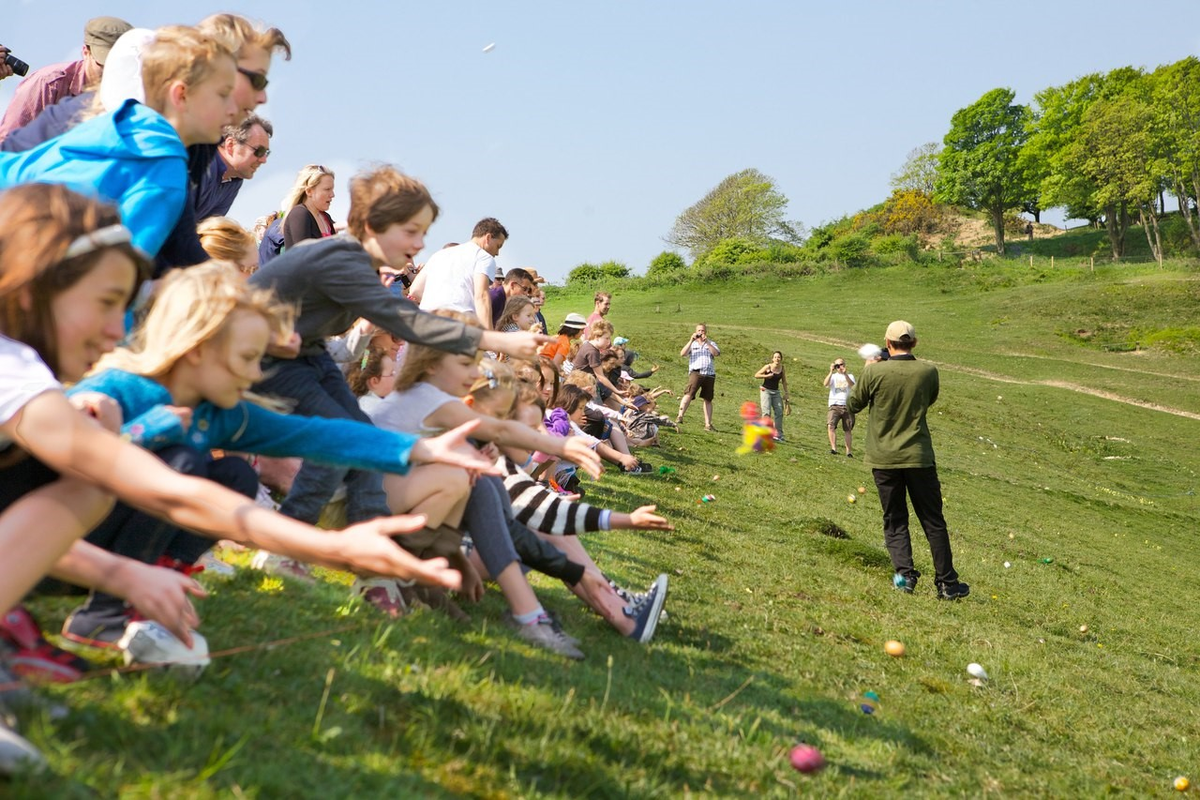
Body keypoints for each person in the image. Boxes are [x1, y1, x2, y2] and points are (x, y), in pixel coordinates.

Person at [63, 263, 495, 649]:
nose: (256, 373)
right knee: (182, 464)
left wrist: (420, 447)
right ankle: (105, 612)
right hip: (59, 542)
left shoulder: (221, 413)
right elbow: (45, 457)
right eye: (248, 358)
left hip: (102, 536)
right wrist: (149, 429)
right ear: (198, 348)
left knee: (234, 475)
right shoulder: (120, 387)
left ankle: (164, 579)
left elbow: (316, 436)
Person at [248, 166, 551, 528]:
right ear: (374, 224)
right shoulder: (340, 259)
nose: (420, 244)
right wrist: (496, 339)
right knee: (345, 433)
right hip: (259, 355)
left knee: (362, 433)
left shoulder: (360, 263)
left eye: (423, 233)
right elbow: (405, 319)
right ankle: (294, 534)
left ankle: (365, 540)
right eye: (411, 231)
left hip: (306, 353)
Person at [0, 26, 239, 258]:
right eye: (222, 94)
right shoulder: (161, 167)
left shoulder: (108, 127)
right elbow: (126, 268)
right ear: (179, 94)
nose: (234, 109)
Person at [847, 320, 970, 600]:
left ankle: (906, 576)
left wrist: (868, 372)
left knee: (895, 519)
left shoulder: (875, 372)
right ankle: (947, 584)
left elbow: (853, 404)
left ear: (887, 343)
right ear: (914, 343)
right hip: (918, 455)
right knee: (932, 520)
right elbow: (929, 400)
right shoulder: (928, 371)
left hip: (884, 456)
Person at [0, 17, 133, 143]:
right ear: (86, 52)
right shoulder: (48, 83)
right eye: (104, 64)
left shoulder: (133, 88)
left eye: (118, 64)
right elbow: (8, 144)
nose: (111, 71)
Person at [411, 217, 508, 326]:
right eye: (498, 246)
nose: (497, 253)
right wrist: (488, 336)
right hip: (457, 323)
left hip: (425, 321)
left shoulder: (439, 254)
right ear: (488, 238)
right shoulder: (484, 257)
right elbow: (481, 296)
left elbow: (415, 290)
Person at [195, 113, 272, 220]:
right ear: (230, 145)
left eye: (266, 153)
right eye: (259, 151)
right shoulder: (202, 165)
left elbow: (209, 228)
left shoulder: (235, 180)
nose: (264, 160)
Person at [675, 323, 720, 431]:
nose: (701, 333)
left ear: (706, 332)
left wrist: (707, 342)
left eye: (703, 331)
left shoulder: (711, 343)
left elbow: (716, 353)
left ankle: (708, 424)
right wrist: (691, 340)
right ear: (695, 332)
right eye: (699, 331)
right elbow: (683, 353)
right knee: (689, 393)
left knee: (708, 399)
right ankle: (680, 416)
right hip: (696, 372)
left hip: (709, 374)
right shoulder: (693, 344)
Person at [281, 164, 336, 249]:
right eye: (327, 189)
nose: (332, 195)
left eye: (332, 189)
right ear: (309, 191)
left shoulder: (326, 217)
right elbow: (303, 256)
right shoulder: (299, 214)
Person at [754, 351, 789, 442]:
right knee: (766, 412)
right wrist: (767, 375)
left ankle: (778, 435)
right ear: (772, 359)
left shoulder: (782, 368)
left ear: (781, 359)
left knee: (779, 412)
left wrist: (786, 393)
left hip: (776, 392)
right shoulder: (768, 367)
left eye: (779, 357)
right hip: (766, 391)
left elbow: (784, 382)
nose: (777, 359)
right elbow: (756, 375)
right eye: (775, 357)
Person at [824, 356, 855, 456]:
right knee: (831, 425)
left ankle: (848, 451)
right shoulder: (833, 376)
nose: (840, 367)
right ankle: (834, 448)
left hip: (847, 406)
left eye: (841, 364)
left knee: (848, 429)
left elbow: (853, 386)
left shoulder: (850, 376)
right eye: (837, 365)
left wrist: (845, 374)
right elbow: (825, 384)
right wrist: (830, 371)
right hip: (834, 405)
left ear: (845, 365)